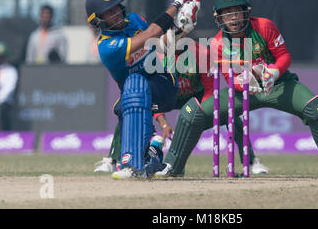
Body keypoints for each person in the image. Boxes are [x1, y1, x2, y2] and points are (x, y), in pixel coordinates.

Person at [158, 0, 318, 178]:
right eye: (227, 14)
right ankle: (172, 166)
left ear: (246, 13)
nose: (233, 18)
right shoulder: (217, 44)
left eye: (237, 13)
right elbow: (230, 80)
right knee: (191, 115)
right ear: (220, 18)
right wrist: (246, 82)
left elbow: (283, 56)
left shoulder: (264, 26)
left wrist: (273, 73)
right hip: (243, 92)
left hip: (279, 86)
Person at [94, 40, 269, 175]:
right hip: (168, 96)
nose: (177, 39)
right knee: (131, 109)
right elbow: (152, 93)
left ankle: (252, 161)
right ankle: (112, 159)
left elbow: (210, 90)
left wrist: (200, 115)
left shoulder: (201, 52)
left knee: (231, 114)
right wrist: (163, 123)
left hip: (196, 97)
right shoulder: (158, 57)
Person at [85, 0, 199, 179]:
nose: (116, 14)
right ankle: (150, 155)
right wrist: (176, 5)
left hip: (161, 82)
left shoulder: (134, 20)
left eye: (116, 9)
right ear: (97, 21)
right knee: (124, 107)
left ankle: (131, 165)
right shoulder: (107, 46)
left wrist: (178, 31)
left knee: (135, 84)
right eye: (109, 13)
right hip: (135, 93)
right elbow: (151, 33)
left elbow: (157, 41)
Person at [0, 41, 18, 131]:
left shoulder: (11, 70)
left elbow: (10, 87)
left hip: (5, 103)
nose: (0, 59)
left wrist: (0, 99)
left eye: (1, 57)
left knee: (4, 121)